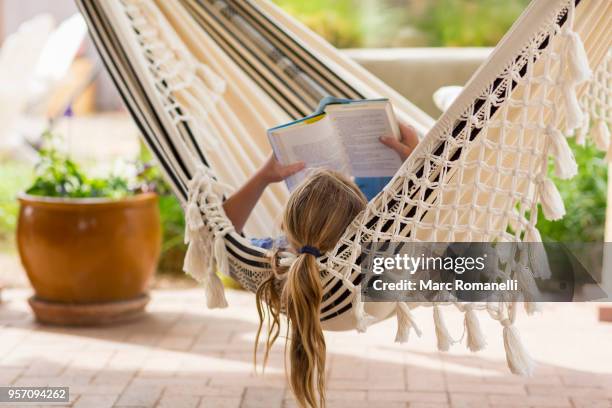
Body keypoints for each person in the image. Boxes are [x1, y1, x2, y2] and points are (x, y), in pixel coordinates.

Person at [221, 123, 417, 408]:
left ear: (286, 226)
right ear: (355, 237)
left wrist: (264, 177)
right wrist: (417, 170)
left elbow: (222, 237)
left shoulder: (273, 260)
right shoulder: (370, 266)